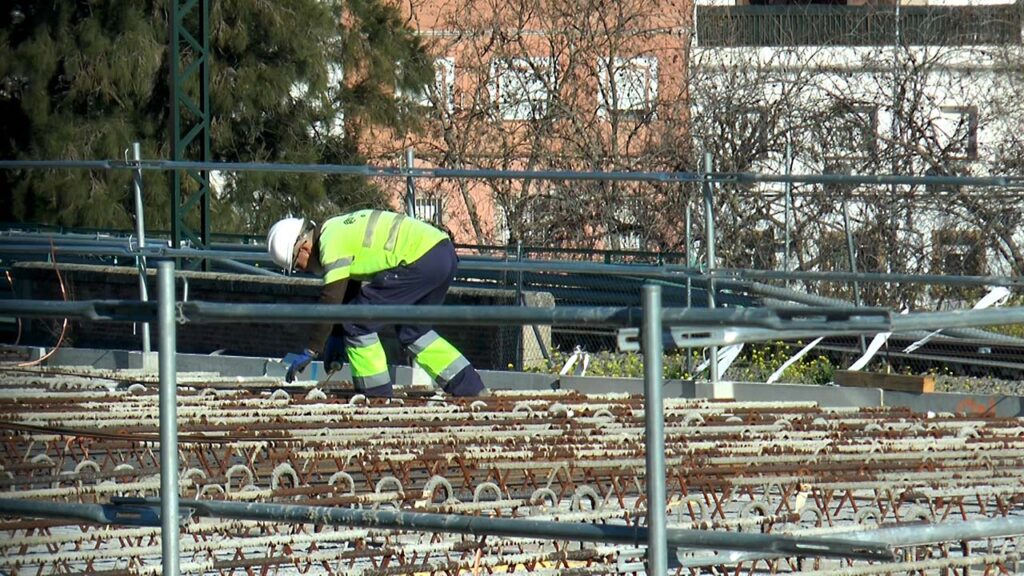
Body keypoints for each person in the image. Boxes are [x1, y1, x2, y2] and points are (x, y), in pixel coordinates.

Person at [266, 209, 486, 398]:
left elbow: (331, 298)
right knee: (414, 331)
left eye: (297, 266)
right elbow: (347, 289)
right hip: (440, 253)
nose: (303, 270)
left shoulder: (330, 242)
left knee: (356, 322)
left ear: (303, 248)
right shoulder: (336, 228)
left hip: (420, 259)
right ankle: (470, 387)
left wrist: (312, 348)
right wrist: (334, 336)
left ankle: (376, 396)